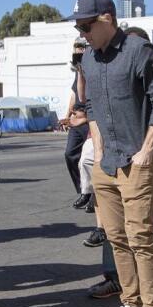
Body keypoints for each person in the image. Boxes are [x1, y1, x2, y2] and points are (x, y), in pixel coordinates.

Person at [69, 0, 153, 307]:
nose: (82, 32)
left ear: (107, 19)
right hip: (107, 162)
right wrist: (97, 150)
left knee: (141, 236)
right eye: (79, 26)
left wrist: (147, 150)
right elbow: (92, 108)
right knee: (116, 237)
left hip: (138, 161)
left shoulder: (138, 51)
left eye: (87, 25)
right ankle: (130, 304)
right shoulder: (89, 60)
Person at [91, 51, 153, 296]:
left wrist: (150, 154)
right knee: (114, 224)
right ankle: (116, 277)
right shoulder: (112, 74)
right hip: (118, 161)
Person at [64, 39, 93, 210]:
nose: (79, 51)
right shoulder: (78, 71)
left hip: (89, 118)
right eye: (76, 48)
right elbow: (75, 95)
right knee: (70, 155)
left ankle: (94, 195)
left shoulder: (94, 67)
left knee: (89, 160)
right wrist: (68, 114)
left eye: (82, 47)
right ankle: (84, 191)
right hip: (77, 119)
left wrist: (86, 117)